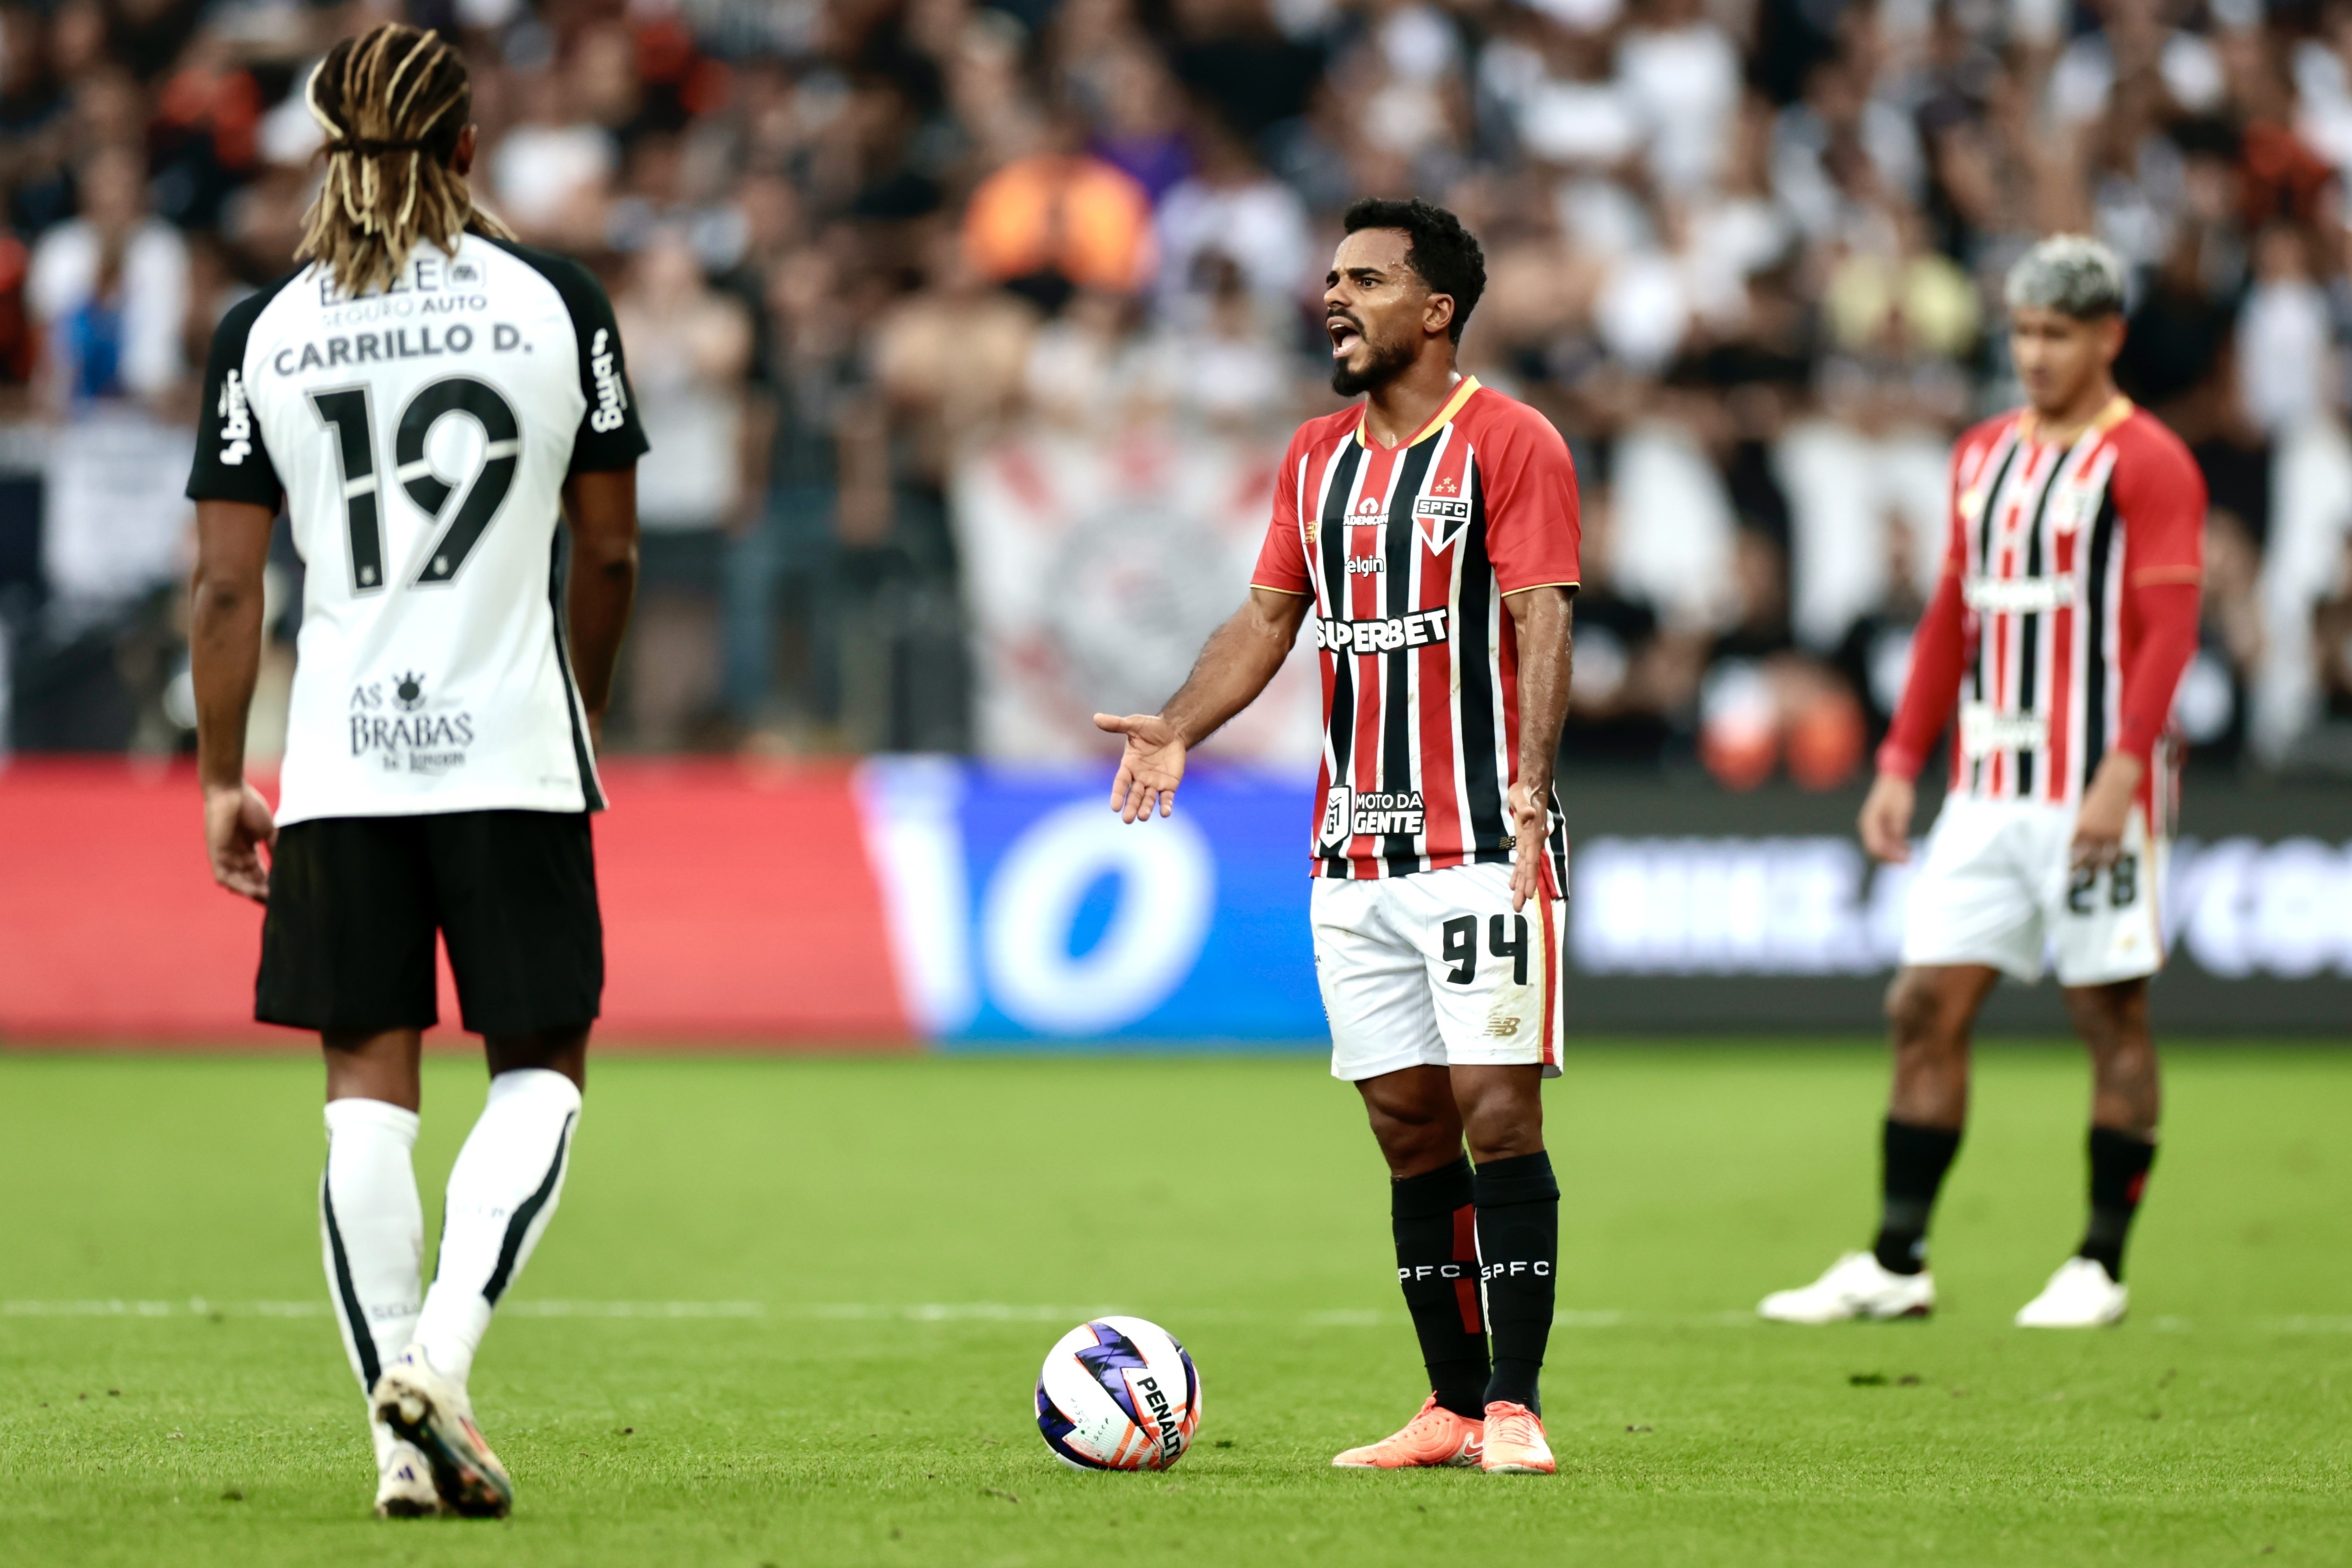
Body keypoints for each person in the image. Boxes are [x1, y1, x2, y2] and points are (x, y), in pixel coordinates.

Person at [184, 25, 645, 1518]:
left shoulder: (268, 327)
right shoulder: (551, 301)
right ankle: (437, 1360)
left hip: (337, 764)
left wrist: (217, 775)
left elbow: (221, 589)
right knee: (542, 1069)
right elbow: (615, 544)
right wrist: (582, 697)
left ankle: (398, 1447)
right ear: (468, 145)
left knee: (363, 1098)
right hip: (510, 747)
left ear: (321, 151)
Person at [1096, 198, 1579, 1475]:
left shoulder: (1514, 444)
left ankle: (1517, 1405)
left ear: (1436, 311)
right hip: (1351, 848)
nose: (1334, 296)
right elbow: (1264, 621)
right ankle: (1449, 1406)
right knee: (1406, 1125)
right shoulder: (1315, 457)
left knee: (1497, 1112)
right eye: (1331, 277)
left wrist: (1530, 790)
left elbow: (1541, 618)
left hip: (1482, 838)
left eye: (1366, 278)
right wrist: (1181, 725)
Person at [1759, 234, 2203, 1330]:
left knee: (2108, 1016)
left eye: (2058, 334)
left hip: (2095, 790)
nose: (2037, 355)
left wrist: (2123, 770)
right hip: (1991, 788)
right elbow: (1953, 619)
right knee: (1922, 1004)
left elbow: (2165, 635)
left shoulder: (2147, 463)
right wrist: (1901, 761)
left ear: (2108, 337)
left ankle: (2099, 1262)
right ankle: (1896, 1258)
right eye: (2023, 333)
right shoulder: (1982, 456)